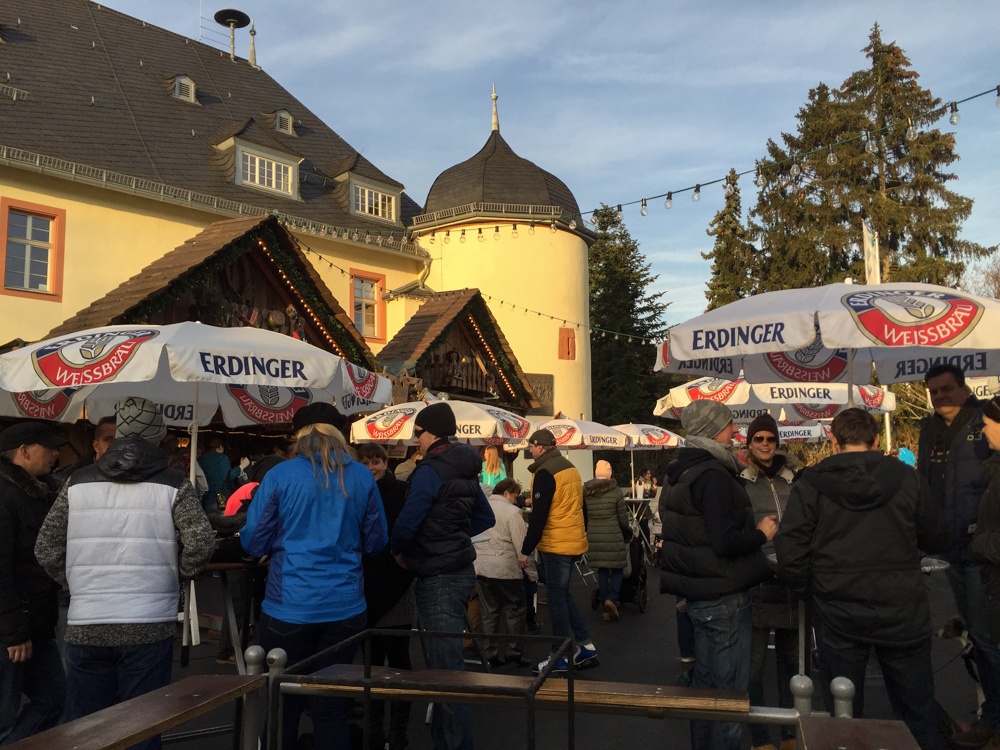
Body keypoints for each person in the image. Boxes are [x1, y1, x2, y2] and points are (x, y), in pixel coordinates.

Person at [35, 397, 215, 750]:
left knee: (86, 731)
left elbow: (45, 548)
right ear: (159, 437)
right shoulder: (175, 483)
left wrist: (77, 582)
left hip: (88, 621)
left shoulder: (76, 482)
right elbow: (202, 543)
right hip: (150, 622)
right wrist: (175, 573)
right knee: (143, 727)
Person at [776, 408, 951, 750]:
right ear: (876, 440)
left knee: (844, 717)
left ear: (833, 439)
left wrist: (810, 589)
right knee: (917, 713)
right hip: (902, 609)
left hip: (839, 610)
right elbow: (938, 537)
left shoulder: (811, 483)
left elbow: (790, 548)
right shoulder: (907, 478)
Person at [241, 402, 387, 749]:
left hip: (288, 606)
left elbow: (253, 539)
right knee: (330, 707)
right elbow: (377, 540)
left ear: (298, 435)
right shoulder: (362, 476)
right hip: (345, 606)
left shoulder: (281, 475)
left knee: (283, 702)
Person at [659, 400, 775, 750]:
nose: (735, 432)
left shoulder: (680, 472)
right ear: (712, 431)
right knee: (727, 697)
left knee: (705, 690)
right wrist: (761, 534)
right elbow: (724, 541)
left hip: (699, 595)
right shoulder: (713, 475)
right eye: (728, 426)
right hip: (724, 596)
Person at [390, 402, 494, 750]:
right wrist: (454, 536)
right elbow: (485, 518)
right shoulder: (465, 468)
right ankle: (448, 741)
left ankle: (455, 745)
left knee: (445, 670)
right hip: (461, 568)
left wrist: (399, 549)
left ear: (432, 433)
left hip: (438, 572)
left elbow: (409, 520)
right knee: (446, 665)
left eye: (417, 433)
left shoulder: (430, 470)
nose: (414, 439)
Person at [917, 363, 1000, 749]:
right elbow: (923, 483)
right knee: (974, 635)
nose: (940, 397)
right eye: (934, 392)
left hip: (982, 549)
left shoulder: (984, 423)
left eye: (947, 389)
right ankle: (990, 714)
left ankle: (994, 720)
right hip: (949, 547)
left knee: (987, 638)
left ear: (964, 389)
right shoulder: (928, 428)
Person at [0, 422, 67, 745]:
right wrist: (14, 632)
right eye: (48, 446)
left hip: (34, 623)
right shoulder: (7, 495)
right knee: (5, 715)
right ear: (24, 451)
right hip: (11, 629)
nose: (56, 453)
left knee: (55, 700)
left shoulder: (38, 492)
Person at [739, 413, 799, 750]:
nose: (765, 444)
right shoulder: (741, 482)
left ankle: (790, 733)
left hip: (791, 577)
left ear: (777, 443)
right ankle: (761, 736)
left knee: (792, 662)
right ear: (749, 443)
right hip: (759, 577)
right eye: (759, 439)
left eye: (770, 439)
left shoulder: (795, 479)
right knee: (754, 664)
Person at [518, 429, 598, 675]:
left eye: (531, 447)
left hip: (556, 542)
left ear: (540, 447)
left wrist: (525, 550)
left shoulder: (545, 472)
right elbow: (582, 507)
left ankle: (559, 656)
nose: (529, 451)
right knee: (563, 595)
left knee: (556, 599)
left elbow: (539, 516)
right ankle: (585, 645)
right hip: (572, 539)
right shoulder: (570, 467)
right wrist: (581, 534)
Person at [357, 442, 415, 750]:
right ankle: (374, 731)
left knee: (399, 659)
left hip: (395, 583)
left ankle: (399, 731)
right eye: (366, 462)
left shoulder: (400, 491)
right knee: (371, 661)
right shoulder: (355, 490)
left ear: (385, 462)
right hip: (365, 583)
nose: (371, 467)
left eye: (376, 461)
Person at [474, 478, 533, 668]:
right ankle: (513, 652)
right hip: (506, 568)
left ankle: (489, 654)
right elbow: (521, 545)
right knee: (514, 610)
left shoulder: (481, 507)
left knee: (489, 612)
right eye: (515, 497)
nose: (516, 501)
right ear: (507, 493)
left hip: (482, 567)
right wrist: (532, 573)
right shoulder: (513, 512)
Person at [582, 460, 630, 622]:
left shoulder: (586, 491)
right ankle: (611, 598)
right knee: (617, 569)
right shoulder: (615, 491)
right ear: (609, 473)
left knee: (602, 570)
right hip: (613, 534)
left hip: (594, 534)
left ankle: (605, 608)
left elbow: (584, 515)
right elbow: (623, 519)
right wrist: (627, 532)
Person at [198, 437, 233, 516]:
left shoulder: (203, 458)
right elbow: (228, 476)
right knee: (223, 522)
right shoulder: (223, 458)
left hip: (206, 497)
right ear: (220, 446)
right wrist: (240, 468)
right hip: (220, 496)